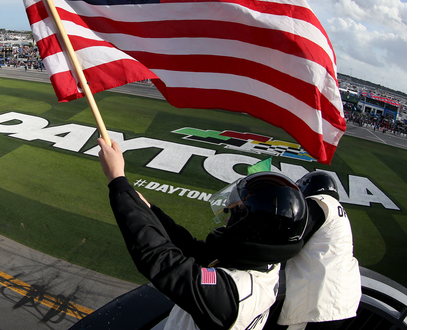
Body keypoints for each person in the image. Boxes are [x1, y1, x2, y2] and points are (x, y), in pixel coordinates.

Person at [97, 137, 308, 330]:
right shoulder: (263, 262)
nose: (227, 218)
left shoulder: (233, 296)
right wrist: (147, 208)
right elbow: (190, 247)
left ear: (251, 229)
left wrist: (116, 179)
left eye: (234, 213)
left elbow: (161, 259)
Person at [276, 171, 361, 330]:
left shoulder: (318, 202)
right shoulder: (337, 208)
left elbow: (291, 238)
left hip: (320, 301)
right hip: (342, 299)